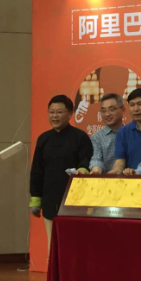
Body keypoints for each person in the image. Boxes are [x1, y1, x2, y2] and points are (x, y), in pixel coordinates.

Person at [29, 95, 93, 252]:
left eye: (59, 112)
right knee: (52, 245)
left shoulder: (80, 137)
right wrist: (36, 201)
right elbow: (37, 171)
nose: (54, 116)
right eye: (51, 112)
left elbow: (86, 161)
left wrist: (83, 170)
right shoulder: (43, 139)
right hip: (50, 199)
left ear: (70, 114)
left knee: (73, 245)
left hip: (74, 201)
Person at [88, 93, 125, 174]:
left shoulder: (130, 133)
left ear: (123, 110)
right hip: (107, 179)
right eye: (103, 111)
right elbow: (96, 159)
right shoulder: (96, 137)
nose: (107, 114)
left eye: (112, 109)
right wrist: (96, 169)